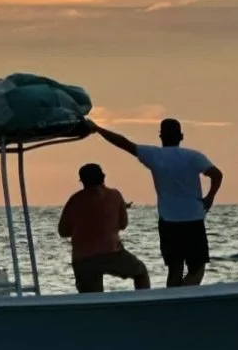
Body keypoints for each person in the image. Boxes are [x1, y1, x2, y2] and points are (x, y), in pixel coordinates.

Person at [88, 118, 223, 288]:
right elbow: (217, 175)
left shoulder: (154, 155)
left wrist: (98, 129)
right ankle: (181, 300)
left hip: (168, 220)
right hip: (193, 218)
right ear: (181, 136)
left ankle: (173, 303)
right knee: (197, 269)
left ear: (161, 137)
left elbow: (123, 143)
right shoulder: (193, 156)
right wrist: (210, 197)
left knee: (175, 268)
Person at [58, 162, 151, 293]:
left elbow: (63, 231)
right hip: (112, 253)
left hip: (83, 257)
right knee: (140, 272)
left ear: (82, 181)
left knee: (91, 298)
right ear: (103, 177)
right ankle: (143, 305)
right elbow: (123, 224)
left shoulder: (75, 200)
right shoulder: (115, 195)